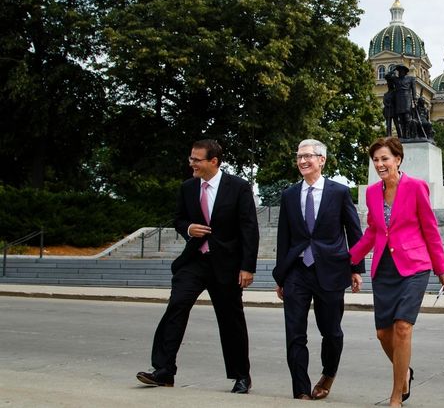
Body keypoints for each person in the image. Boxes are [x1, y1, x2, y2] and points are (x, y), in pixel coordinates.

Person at [137, 139, 258, 394]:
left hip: (226, 265)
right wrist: (189, 228)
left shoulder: (238, 187)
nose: (191, 163)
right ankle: (163, 370)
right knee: (176, 306)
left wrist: (247, 267)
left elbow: (249, 228)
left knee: (231, 320)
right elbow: (179, 219)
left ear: (213, 161)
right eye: (191, 158)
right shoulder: (188, 187)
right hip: (194, 262)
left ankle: (241, 376)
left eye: (196, 160)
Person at [349, 136, 444, 407]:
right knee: (384, 334)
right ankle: (404, 370)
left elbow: (430, 229)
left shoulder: (416, 187)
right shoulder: (372, 192)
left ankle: (397, 394)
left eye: (385, 158)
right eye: (376, 160)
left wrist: (441, 269)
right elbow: (373, 231)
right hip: (384, 267)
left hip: (414, 266)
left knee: (403, 328)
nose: (380, 164)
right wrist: (350, 260)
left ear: (398, 159)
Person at [272, 139, 365, 400]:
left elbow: (354, 232)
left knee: (331, 331)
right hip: (297, 272)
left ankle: (328, 374)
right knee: (294, 333)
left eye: (308, 156)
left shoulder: (339, 192)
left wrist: (356, 268)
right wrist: (281, 275)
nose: (302, 161)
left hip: (332, 271)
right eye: (299, 156)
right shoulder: (289, 194)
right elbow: (284, 237)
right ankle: (300, 389)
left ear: (321, 160)